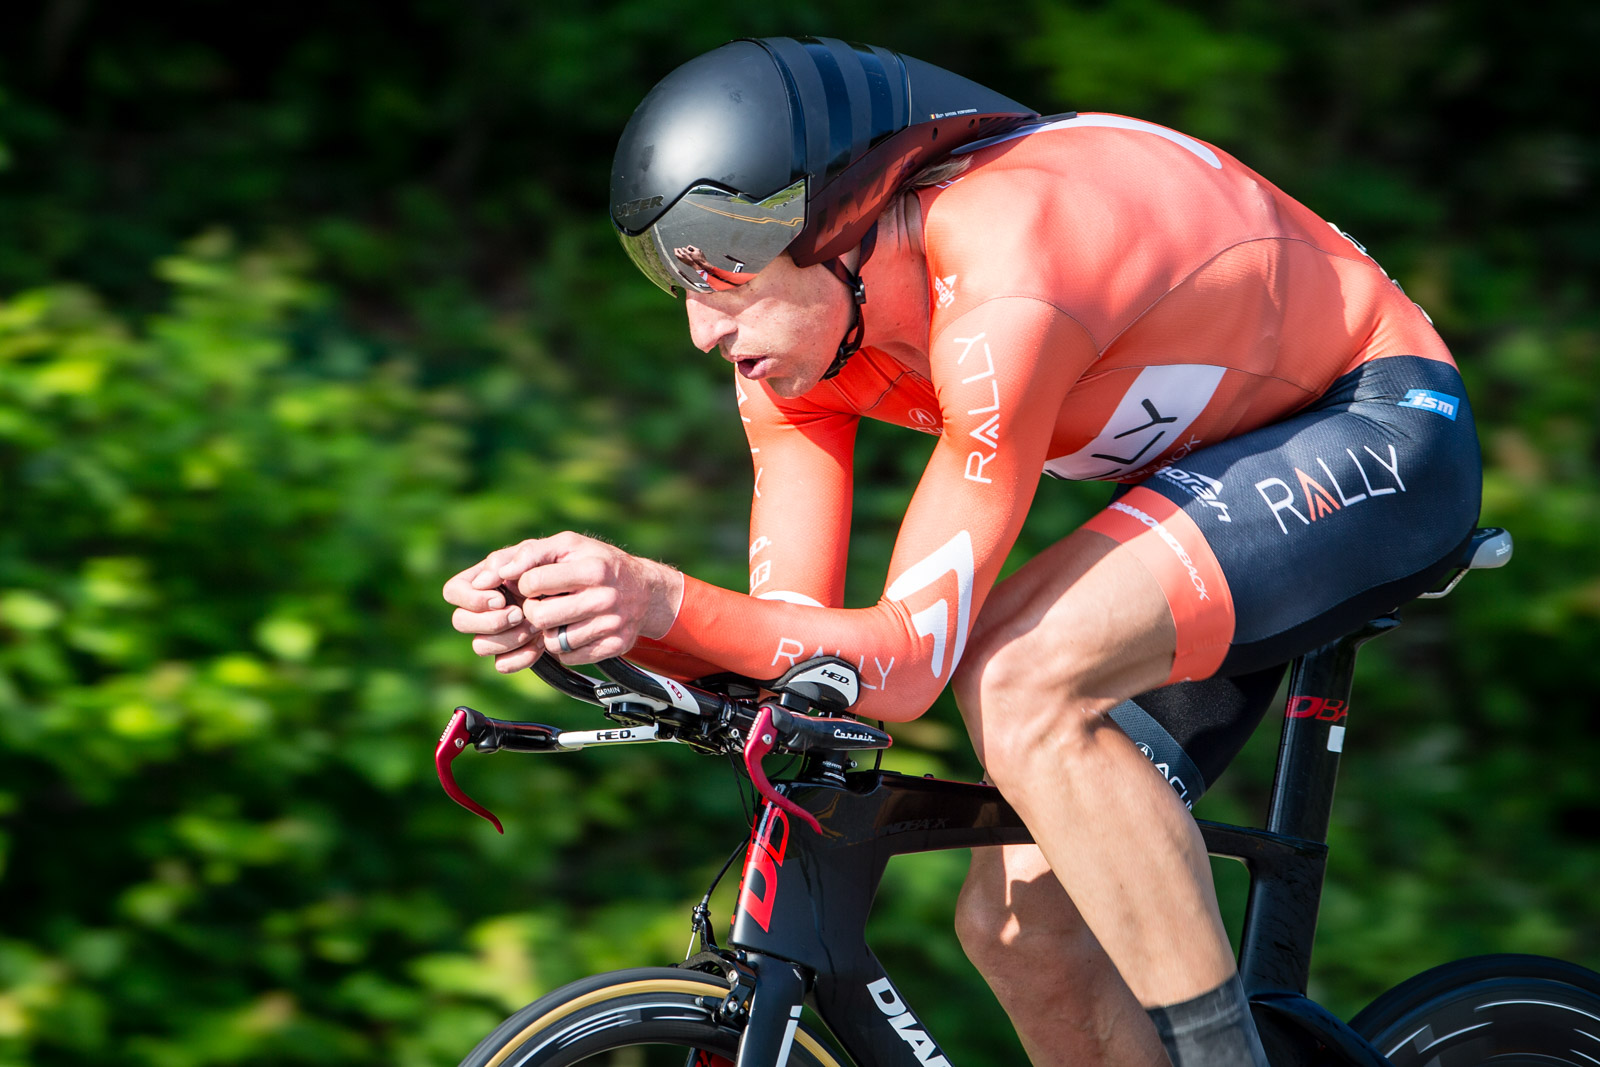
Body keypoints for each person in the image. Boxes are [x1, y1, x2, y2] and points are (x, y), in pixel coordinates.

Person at [443, 36, 1482, 1067]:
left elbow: (905, 661)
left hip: (1378, 420)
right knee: (1024, 933)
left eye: (722, 271)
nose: (701, 329)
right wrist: (602, 624)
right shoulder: (789, 360)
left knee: (1015, 675)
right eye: (674, 283)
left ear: (839, 220)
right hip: (1211, 480)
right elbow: (810, 665)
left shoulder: (1007, 267)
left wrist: (658, 594)